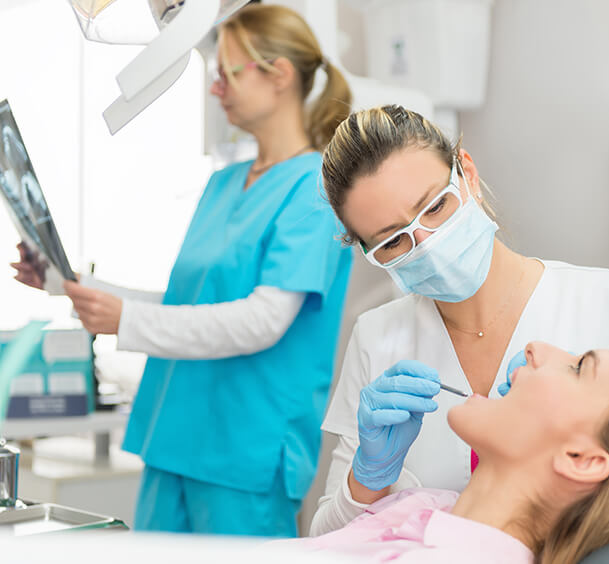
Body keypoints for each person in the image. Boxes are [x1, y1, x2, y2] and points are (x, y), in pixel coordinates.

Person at [12, 4, 353, 537]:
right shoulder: (224, 183)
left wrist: (125, 320)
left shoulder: (314, 191)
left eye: (227, 72)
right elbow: (181, 303)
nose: (215, 88)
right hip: (174, 437)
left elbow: (262, 320)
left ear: (279, 75)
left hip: (245, 451)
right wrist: (67, 283)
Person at [309, 104, 609, 535]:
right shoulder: (377, 338)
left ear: (468, 175)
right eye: (392, 242)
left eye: (436, 207)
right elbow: (325, 540)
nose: (426, 244)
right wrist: (367, 480)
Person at [274, 342, 609, 563]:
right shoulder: (425, 505)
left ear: (580, 460)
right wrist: (369, 478)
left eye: (579, 367)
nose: (534, 347)